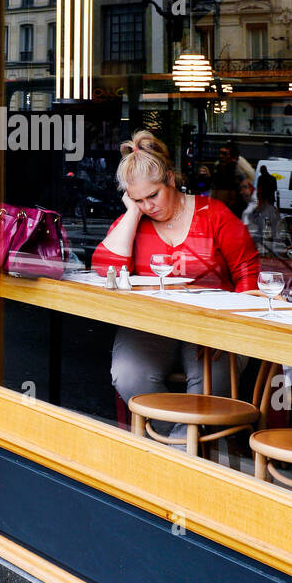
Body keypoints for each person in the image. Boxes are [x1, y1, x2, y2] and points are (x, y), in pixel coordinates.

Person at [92, 130, 260, 417]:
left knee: (211, 386)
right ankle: (173, 445)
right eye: (138, 200)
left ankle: (183, 453)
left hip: (211, 324)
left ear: (170, 178)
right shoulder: (134, 220)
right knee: (129, 374)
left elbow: (248, 272)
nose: (149, 206)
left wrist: (231, 330)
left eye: (153, 195)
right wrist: (131, 215)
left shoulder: (214, 214)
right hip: (150, 323)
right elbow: (108, 271)